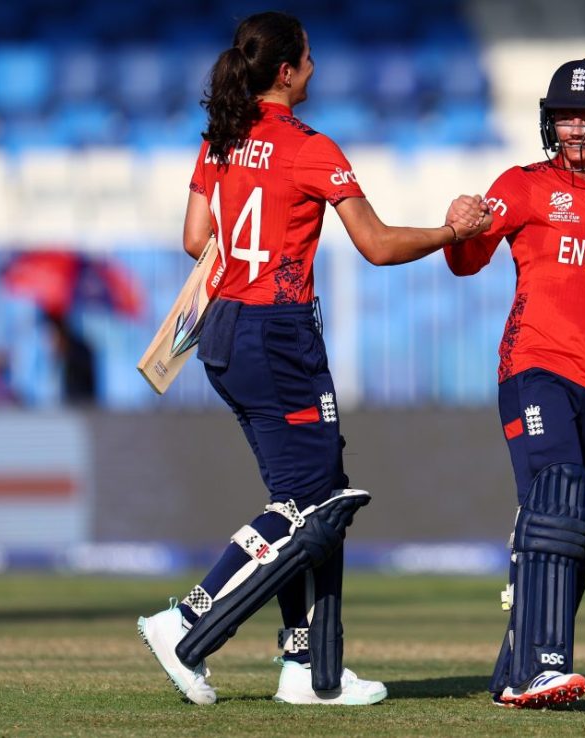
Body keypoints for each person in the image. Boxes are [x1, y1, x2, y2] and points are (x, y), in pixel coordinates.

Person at [136, 11, 490, 707]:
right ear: (286, 69)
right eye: (309, 56)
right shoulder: (310, 147)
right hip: (278, 331)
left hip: (225, 331)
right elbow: (378, 246)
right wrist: (454, 230)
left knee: (306, 498)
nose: (317, 66)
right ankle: (183, 622)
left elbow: (193, 239)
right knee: (315, 502)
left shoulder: (221, 138)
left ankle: (308, 667)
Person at [444, 59, 585, 708]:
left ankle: (515, 670)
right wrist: (457, 224)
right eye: (567, 118)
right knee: (557, 493)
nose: (577, 131)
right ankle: (545, 666)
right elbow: (466, 259)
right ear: (549, 121)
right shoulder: (521, 185)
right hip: (535, 366)